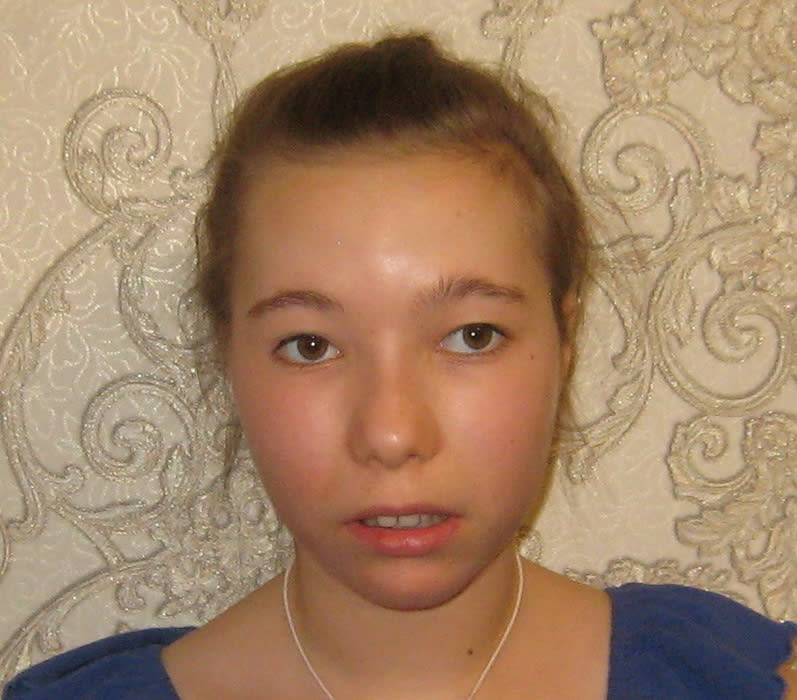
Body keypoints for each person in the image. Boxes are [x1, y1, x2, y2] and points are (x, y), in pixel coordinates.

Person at [4, 33, 796, 700]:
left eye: (472, 336)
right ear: (228, 358)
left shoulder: (730, 678)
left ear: (565, 341)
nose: (390, 435)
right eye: (309, 345)